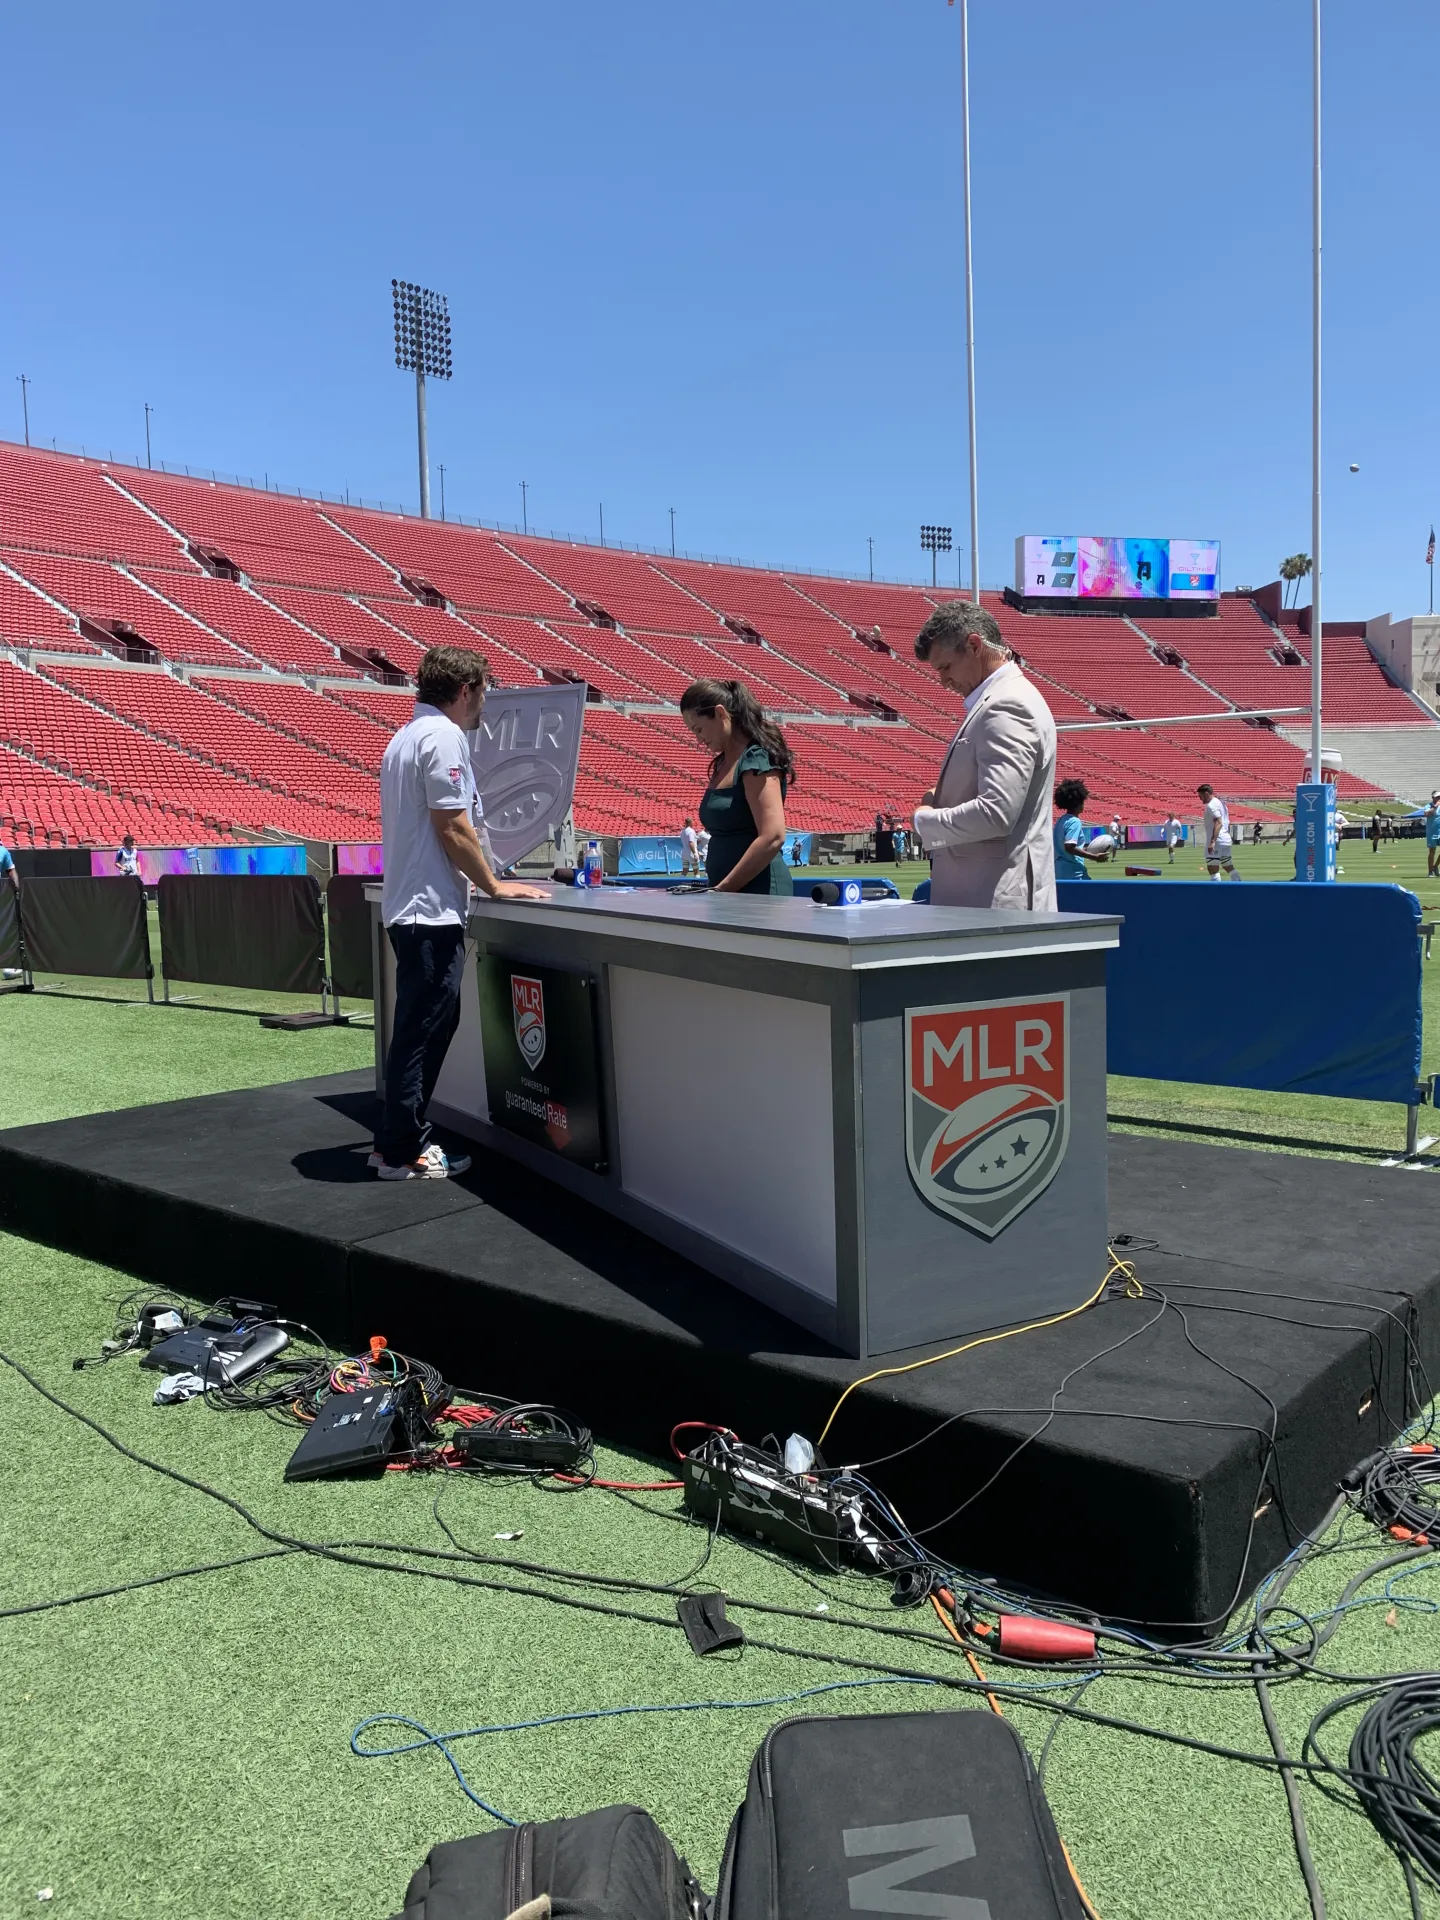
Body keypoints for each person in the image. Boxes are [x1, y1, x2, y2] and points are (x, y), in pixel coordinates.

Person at [372, 645, 549, 1181]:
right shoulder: (442, 736)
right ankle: (403, 1149)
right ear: (466, 689)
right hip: (429, 911)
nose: (485, 705)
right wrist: (493, 884)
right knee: (423, 1029)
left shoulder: (405, 737)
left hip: (413, 907)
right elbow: (452, 826)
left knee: (421, 1026)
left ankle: (397, 1142)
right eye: (484, 691)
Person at [910, 602, 1058, 909]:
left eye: (946, 667)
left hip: (996, 904)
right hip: (988, 900)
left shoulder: (1006, 705)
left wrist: (926, 821)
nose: (943, 681)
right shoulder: (1001, 700)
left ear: (974, 645)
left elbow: (996, 813)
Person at [681, 679, 796, 895]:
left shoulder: (756, 759)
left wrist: (723, 889)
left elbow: (773, 836)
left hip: (761, 894)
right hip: (726, 895)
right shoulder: (723, 764)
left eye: (699, 729)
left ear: (720, 714)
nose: (698, 739)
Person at [1052, 779, 1111, 880]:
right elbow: (1069, 847)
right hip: (1073, 871)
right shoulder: (1075, 821)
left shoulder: (1060, 821)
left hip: (1059, 869)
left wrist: (1088, 850)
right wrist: (1094, 857)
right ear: (1078, 803)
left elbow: (1063, 848)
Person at [1197, 783, 1240, 881]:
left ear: (1207, 793)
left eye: (1201, 796)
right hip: (1225, 839)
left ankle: (1216, 893)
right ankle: (1239, 887)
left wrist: (1213, 841)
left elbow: (1219, 822)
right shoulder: (1221, 803)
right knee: (1228, 866)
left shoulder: (1212, 806)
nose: (1200, 799)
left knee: (1213, 868)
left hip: (1218, 840)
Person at [1427, 795, 1440, 879]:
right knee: (1432, 852)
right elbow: (1426, 814)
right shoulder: (1428, 805)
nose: (1439, 798)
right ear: (1433, 798)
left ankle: (1435, 866)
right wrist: (1435, 806)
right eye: (1437, 797)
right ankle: (1430, 871)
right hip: (1432, 832)